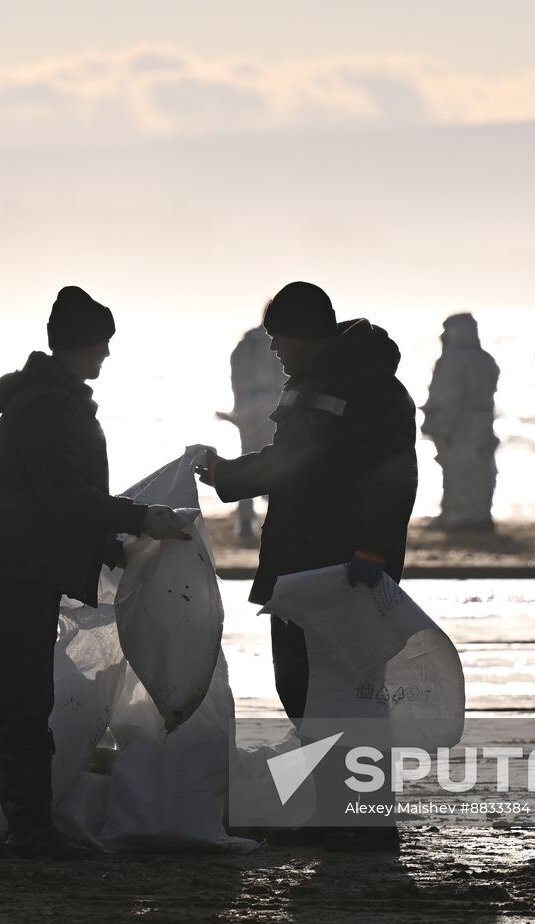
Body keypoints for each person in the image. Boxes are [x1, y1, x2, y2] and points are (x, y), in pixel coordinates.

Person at [0, 285, 191, 859]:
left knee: (24, 696)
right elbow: (62, 495)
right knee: (21, 699)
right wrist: (140, 518)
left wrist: (114, 546)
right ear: (81, 345)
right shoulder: (49, 407)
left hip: (18, 562)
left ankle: (30, 825)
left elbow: (57, 500)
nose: (107, 355)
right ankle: (30, 833)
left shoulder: (50, 399)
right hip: (13, 567)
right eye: (102, 344)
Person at [196, 281, 418, 852]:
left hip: (344, 568)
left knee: (350, 692)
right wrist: (226, 476)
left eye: (278, 341)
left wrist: (373, 551)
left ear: (303, 335)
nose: (274, 352)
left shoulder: (375, 391)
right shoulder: (307, 388)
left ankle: (369, 820)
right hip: (297, 564)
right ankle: (328, 812)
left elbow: (396, 477)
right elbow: (285, 462)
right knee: (301, 689)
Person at [421, 313, 499, 531]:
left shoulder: (453, 360)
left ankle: (465, 515)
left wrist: (441, 424)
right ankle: (472, 512)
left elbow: (449, 396)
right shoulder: (485, 359)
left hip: (461, 424)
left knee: (462, 468)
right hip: (481, 422)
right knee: (476, 467)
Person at [217, 326, 286, 542]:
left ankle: (246, 520)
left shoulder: (244, 343)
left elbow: (234, 376)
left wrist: (239, 407)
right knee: (274, 458)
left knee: (246, 457)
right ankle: (275, 507)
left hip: (246, 404)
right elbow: (283, 375)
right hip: (270, 401)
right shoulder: (277, 341)